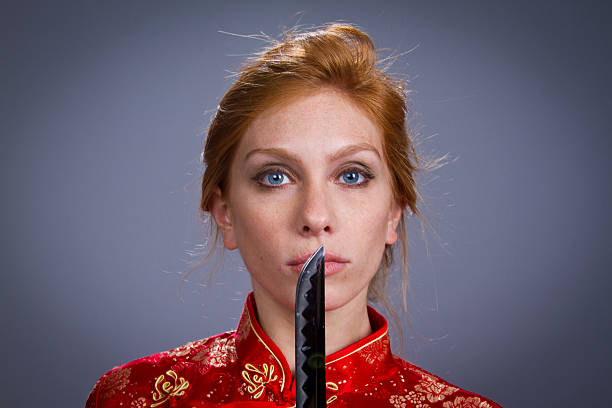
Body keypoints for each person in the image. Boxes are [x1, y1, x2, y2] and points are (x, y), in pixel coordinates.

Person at [86, 24, 502, 408]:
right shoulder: (131, 397)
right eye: (275, 176)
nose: (315, 216)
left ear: (393, 213)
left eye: (352, 175)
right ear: (225, 212)